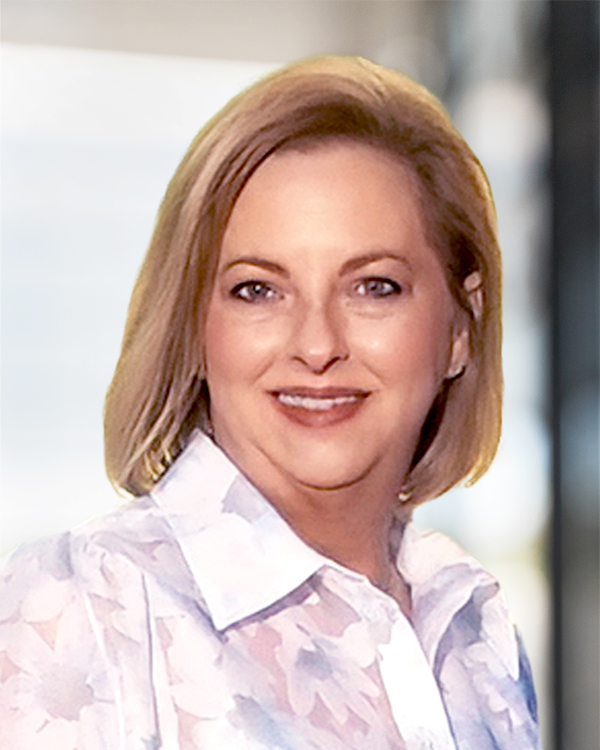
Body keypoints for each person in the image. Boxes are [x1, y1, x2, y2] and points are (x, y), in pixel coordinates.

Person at [0, 56, 541, 749]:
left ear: (461, 328)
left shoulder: (476, 630)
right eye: (258, 290)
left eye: (374, 286)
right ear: (194, 328)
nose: (317, 345)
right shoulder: (79, 609)